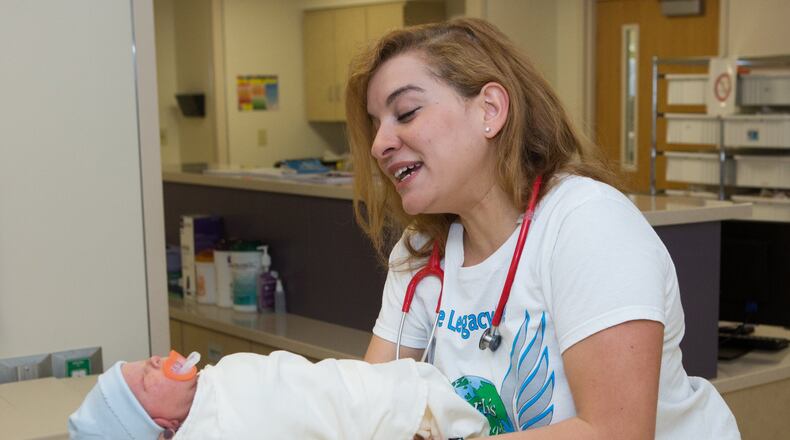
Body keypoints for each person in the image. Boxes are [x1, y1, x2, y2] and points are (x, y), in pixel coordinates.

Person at [345, 18, 740, 439]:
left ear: (490, 110)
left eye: (405, 112)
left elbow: (614, 432)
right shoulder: (422, 251)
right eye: (376, 124)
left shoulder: (588, 224)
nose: (379, 144)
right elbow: (372, 404)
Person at [68, 350, 489, 439]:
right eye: (145, 380)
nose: (155, 361)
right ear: (162, 426)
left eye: (144, 360)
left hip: (399, 391)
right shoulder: (213, 431)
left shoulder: (215, 381)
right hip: (405, 423)